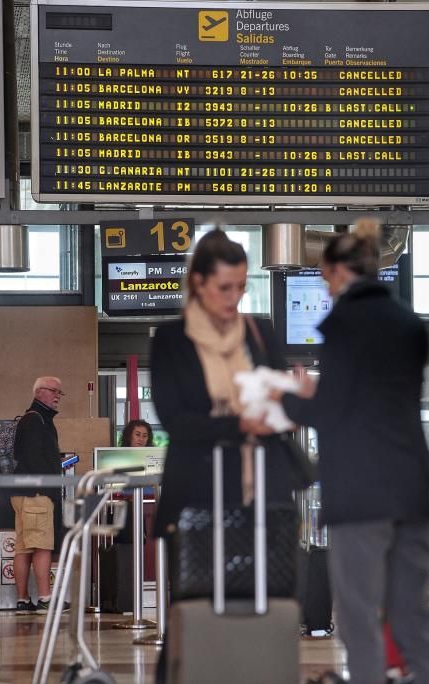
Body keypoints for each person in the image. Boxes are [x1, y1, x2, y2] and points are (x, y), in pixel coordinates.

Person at [273, 219, 429, 684]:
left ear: (340, 272)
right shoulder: (409, 321)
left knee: (358, 618)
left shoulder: (345, 323)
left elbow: (331, 412)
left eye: (325, 278)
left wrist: (292, 398)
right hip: (412, 491)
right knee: (411, 616)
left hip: (361, 495)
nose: (326, 290)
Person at [150, 228, 298, 683]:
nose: (234, 298)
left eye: (241, 286)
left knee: (267, 604)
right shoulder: (172, 339)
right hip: (198, 497)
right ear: (198, 283)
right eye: (224, 287)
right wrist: (238, 423)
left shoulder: (260, 332)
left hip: (263, 497)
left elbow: (281, 401)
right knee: (192, 608)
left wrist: (293, 399)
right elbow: (176, 419)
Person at [10, 376, 67, 615]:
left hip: (22, 492)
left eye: (59, 393)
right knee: (42, 546)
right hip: (37, 492)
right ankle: (45, 598)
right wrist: (50, 484)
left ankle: (23, 600)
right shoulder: (37, 420)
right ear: (39, 392)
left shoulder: (30, 419)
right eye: (54, 391)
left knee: (23, 548)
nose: (57, 396)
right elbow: (35, 458)